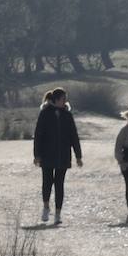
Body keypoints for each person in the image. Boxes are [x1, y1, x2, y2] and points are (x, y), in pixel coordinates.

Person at [32, 87, 82, 224]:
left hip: (63, 155)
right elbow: (38, 135)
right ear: (56, 99)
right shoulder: (45, 113)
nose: (65, 101)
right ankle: (46, 207)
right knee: (47, 182)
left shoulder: (67, 115)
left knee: (60, 184)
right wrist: (37, 154)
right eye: (63, 99)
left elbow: (74, 136)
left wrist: (78, 155)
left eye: (65, 99)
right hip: (47, 154)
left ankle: (58, 214)